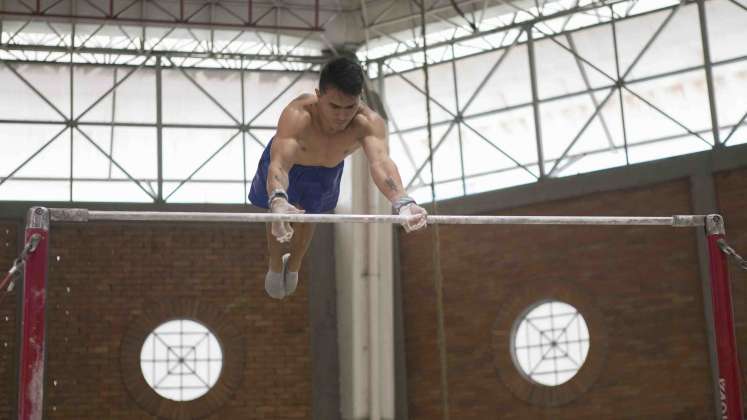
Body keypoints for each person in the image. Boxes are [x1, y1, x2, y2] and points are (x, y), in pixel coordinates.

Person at [249, 56, 428, 299]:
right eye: (334, 106)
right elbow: (279, 163)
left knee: (309, 217)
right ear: (318, 95)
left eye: (350, 107)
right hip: (288, 168)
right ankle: (275, 263)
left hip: (326, 171)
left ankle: (295, 264)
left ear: (360, 99)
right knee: (279, 216)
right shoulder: (298, 115)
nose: (343, 116)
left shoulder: (368, 123)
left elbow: (381, 163)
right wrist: (278, 199)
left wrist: (403, 202)